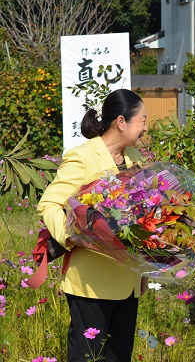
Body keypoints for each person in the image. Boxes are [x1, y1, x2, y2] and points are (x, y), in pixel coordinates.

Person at [37, 89, 148, 362]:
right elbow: (49, 204)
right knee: (87, 357)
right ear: (121, 122)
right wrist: (71, 235)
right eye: (142, 120)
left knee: (119, 356)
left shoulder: (135, 159)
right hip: (90, 284)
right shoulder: (83, 157)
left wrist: (145, 268)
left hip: (128, 281)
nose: (146, 127)